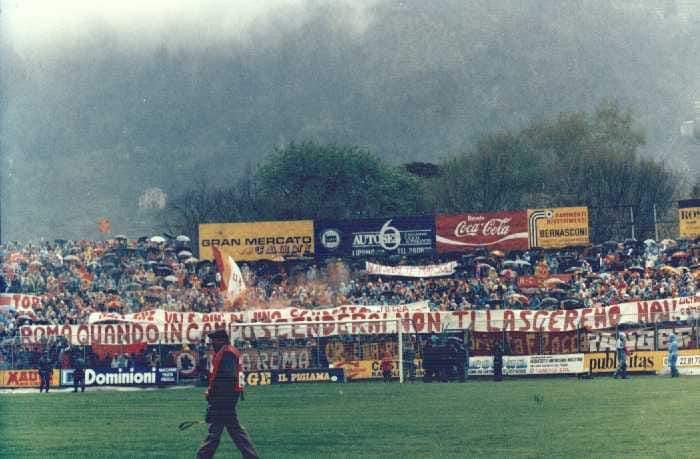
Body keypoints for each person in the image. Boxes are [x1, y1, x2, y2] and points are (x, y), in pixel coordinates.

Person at [196, 329, 258, 459]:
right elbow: (221, 376)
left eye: (214, 340)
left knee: (217, 432)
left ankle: (202, 456)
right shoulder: (227, 352)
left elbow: (227, 379)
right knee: (231, 430)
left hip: (224, 399)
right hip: (227, 398)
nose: (212, 343)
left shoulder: (227, 354)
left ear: (222, 340)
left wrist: (214, 401)